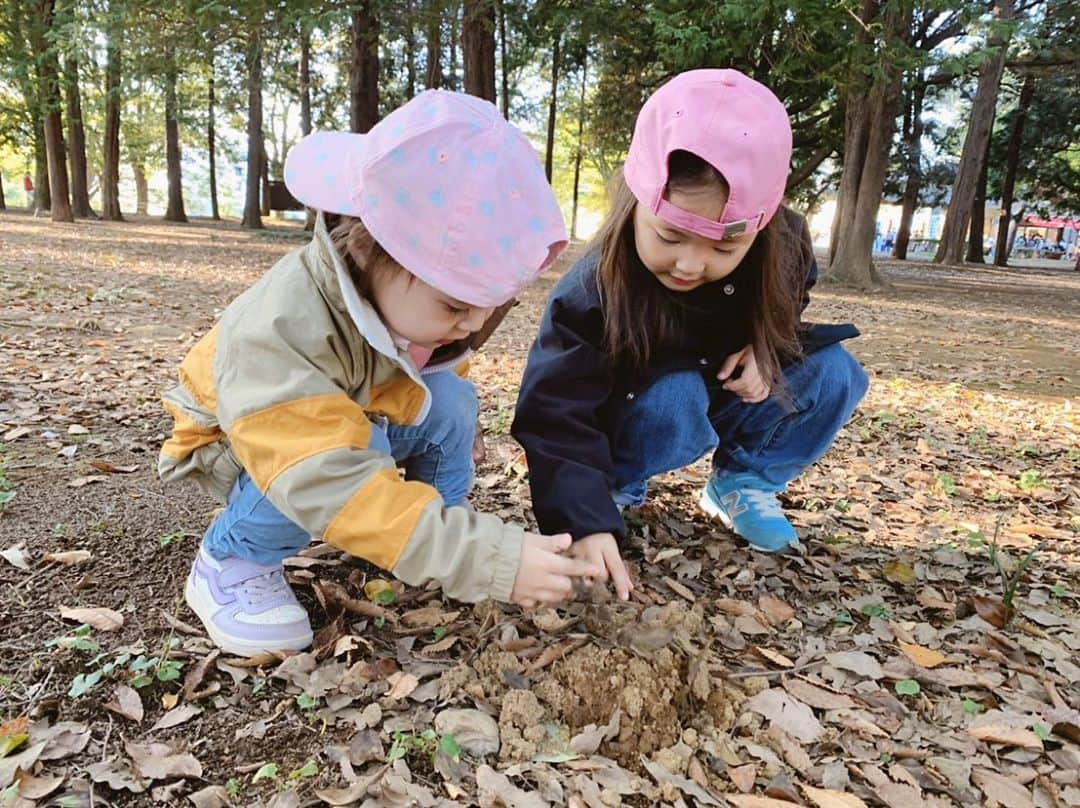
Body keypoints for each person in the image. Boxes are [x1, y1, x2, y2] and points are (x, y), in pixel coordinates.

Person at [158, 90, 600, 656]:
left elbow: (425, 374)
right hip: (244, 440)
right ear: (370, 249)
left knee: (450, 403)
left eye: (488, 305)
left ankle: (427, 528)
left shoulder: (409, 304)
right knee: (355, 441)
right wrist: (482, 558)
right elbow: (321, 470)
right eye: (455, 306)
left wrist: (452, 537)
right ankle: (232, 558)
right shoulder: (279, 330)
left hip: (344, 415)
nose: (470, 325)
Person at [512, 69, 868, 599]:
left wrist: (766, 347)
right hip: (637, 415)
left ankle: (743, 481)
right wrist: (583, 518)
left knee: (836, 372)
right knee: (673, 398)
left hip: (720, 390)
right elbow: (553, 413)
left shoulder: (783, 244)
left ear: (760, 228)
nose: (691, 263)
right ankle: (616, 487)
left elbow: (793, 294)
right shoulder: (593, 291)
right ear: (637, 200)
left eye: (725, 250)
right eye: (671, 236)